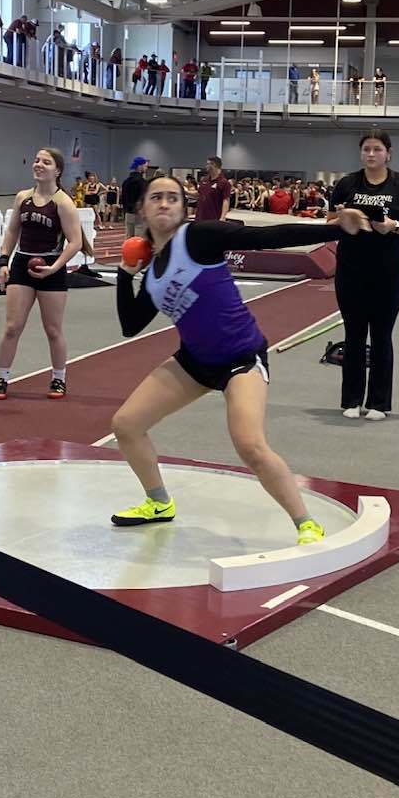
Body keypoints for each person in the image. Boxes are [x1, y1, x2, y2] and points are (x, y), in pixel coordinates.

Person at [110, 175, 367, 536]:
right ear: (142, 209)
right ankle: (158, 502)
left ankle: (306, 524)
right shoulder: (152, 274)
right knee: (126, 424)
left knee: (250, 445)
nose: (165, 203)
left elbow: (264, 238)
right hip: (194, 362)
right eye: (156, 198)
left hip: (240, 358)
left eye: (173, 198)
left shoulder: (197, 238)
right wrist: (125, 274)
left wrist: (338, 230)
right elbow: (131, 324)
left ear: (185, 208)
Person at [328, 130, 399, 420]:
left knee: (381, 336)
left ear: (388, 153)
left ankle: (379, 403)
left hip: (388, 272)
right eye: (367, 149)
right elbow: (330, 221)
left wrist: (393, 226)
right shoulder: (346, 184)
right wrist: (347, 218)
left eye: (377, 149)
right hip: (351, 271)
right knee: (354, 335)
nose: (371, 154)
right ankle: (351, 400)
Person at [0, 148, 91, 401]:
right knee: (12, 327)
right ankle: (2, 377)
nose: (38, 165)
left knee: (53, 329)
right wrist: (4, 260)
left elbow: (75, 242)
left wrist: (55, 267)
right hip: (22, 264)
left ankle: (59, 378)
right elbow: (12, 231)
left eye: (46, 162)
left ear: (57, 170)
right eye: (36, 160)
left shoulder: (63, 203)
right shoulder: (22, 198)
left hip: (51, 268)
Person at [195, 155, 231, 222]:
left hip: (213, 219)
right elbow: (199, 194)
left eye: (208, 164)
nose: (206, 166)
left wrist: (223, 217)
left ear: (214, 165)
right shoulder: (204, 180)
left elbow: (226, 200)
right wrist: (185, 192)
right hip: (199, 218)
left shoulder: (224, 182)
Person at [121, 156, 149, 237]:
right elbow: (144, 199)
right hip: (139, 214)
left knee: (129, 238)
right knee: (139, 239)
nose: (146, 168)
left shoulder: (126, 182)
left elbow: (123, 198)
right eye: (145, 166)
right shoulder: (142, 182)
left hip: (128, 213)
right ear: (140, 166)